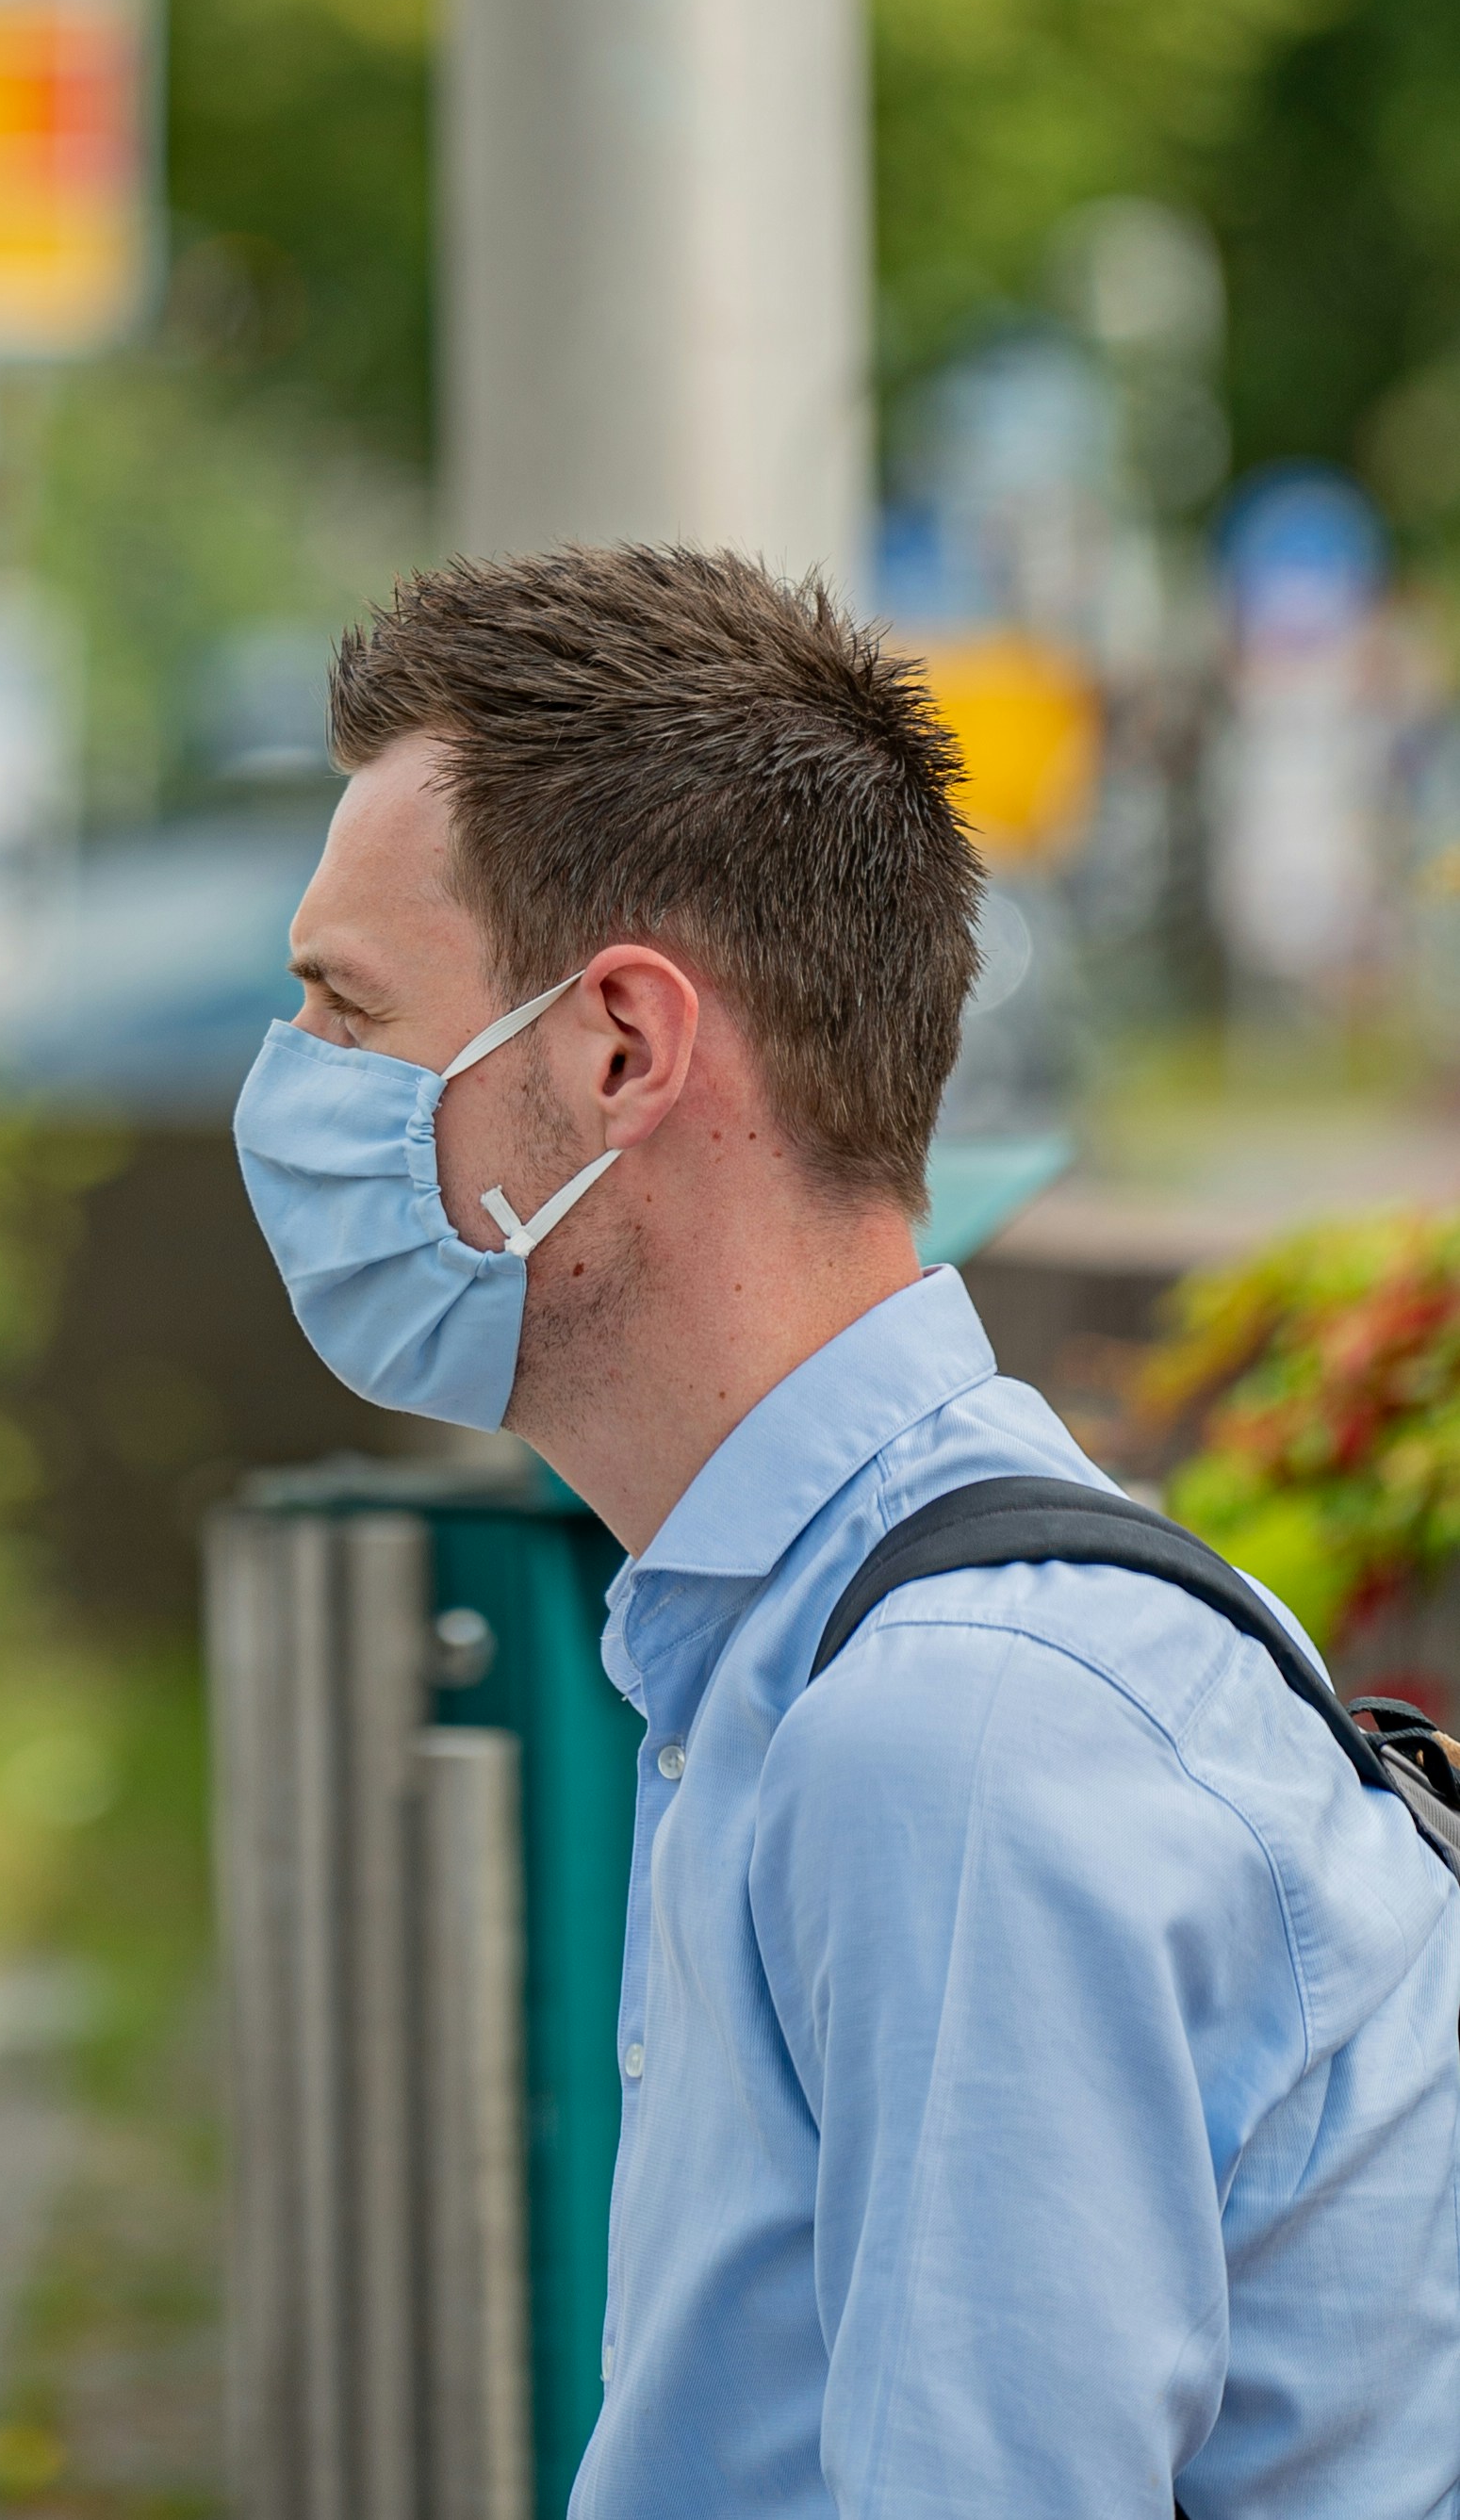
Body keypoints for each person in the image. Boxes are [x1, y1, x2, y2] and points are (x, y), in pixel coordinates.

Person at [233, 543, 1460, 2519]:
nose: (289, 1093)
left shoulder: (956, 1731)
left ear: (620, 1045)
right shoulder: (808, 1643)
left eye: (343, 1008)